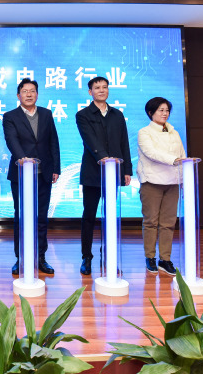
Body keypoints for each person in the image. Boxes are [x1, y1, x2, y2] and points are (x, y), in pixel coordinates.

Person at [3, 78, 60, 275]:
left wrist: (56, 167)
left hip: (44, 174)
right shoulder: (10, 116)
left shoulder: (46, 114)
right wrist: (24, 159)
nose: (29, 94)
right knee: (21, 217)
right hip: (21, 175)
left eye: (32, 90)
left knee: (41, 217)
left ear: (37, 94)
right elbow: (11, 140)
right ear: (18, 95)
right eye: (25, 91)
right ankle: (21, 258)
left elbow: (53, 141)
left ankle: (41, 257)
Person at [76, 76, 132, 275]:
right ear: (90, 92)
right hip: (93, 173)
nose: (101, 90)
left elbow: (124, 143)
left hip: (113, 173)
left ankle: (108, 255)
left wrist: (126, 170)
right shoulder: (83, 115)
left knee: (109, 216)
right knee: (89, 216)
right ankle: (87, 257)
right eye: (97, 87)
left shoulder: (117, 115)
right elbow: (89, 140)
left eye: (105, 87)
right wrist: (104, 158)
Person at [137, 97, 185, 276]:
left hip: (172, 182)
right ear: (151, 113)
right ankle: (150, 257)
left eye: (167, 110)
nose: (165, 113)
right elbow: (151, 153)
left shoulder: (174, 132)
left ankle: (165, 259)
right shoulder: (144, 132)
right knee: (151, 222)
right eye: (161, 110)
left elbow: (182, 155)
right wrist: (174, 160)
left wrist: (183, 179)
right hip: (152, 181)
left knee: (168, 223)